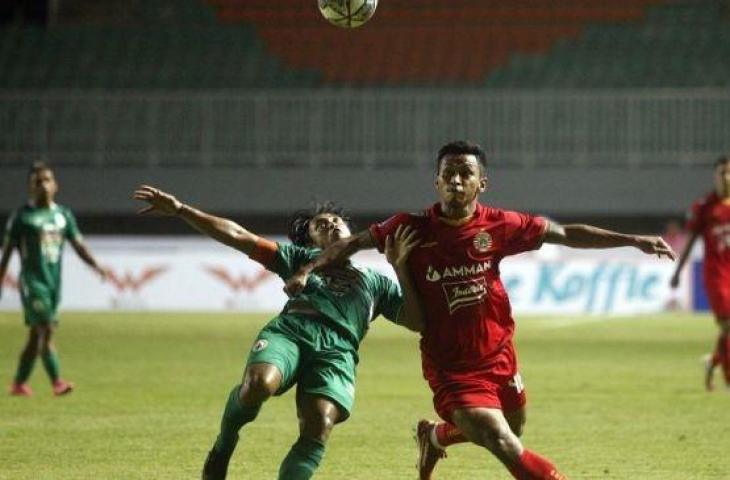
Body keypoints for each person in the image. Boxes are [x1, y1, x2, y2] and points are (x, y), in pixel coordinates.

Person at [284, 141, 676, 480]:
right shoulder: (409, 228)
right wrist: (307, 267)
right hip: (452, 368)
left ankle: (435, 436)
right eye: (447, 174)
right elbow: (349, 245)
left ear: (480, 183)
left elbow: (566, 233)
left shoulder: (501, 225)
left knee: (514, 428)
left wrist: (633, 240)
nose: (455, 181)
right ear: (436, 181)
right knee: (504, 442)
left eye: (465, 174)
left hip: (499, 353)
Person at [132, 185, 424, 480]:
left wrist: (399, 268)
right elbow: (239, 237)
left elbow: (416, 321)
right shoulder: (298, 258)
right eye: (320, 225)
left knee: (319, 424)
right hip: (293, 332)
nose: (331, 224)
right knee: (258, 384)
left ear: (349, 229)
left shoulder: (376, 282)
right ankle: (223, 445)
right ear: (310, 239)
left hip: (338, 351)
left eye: (336, 220)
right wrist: (182, 209)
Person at [0, 162, 106, 397]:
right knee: (45, 329)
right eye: (37, 182)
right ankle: (57, 382)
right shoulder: (22, 217)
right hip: (32, 282)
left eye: (47, 180)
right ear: (30, 188)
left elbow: (79, 245)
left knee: (35, 336)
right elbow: (6, 254)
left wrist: (96, 266)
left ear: (55, 185)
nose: (43, 186)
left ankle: (18, 384)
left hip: (53, 284)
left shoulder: (63, 215)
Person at [671, 155, 730, 391]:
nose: (726, 177)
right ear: (715, 176)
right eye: (722, 173)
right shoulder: (704, 206)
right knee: (728, 326)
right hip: (716, 275)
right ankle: (728, 378)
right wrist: (677, 272)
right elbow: (692, 239)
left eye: (729, 173)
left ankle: (713, 362)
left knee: (728, 329)